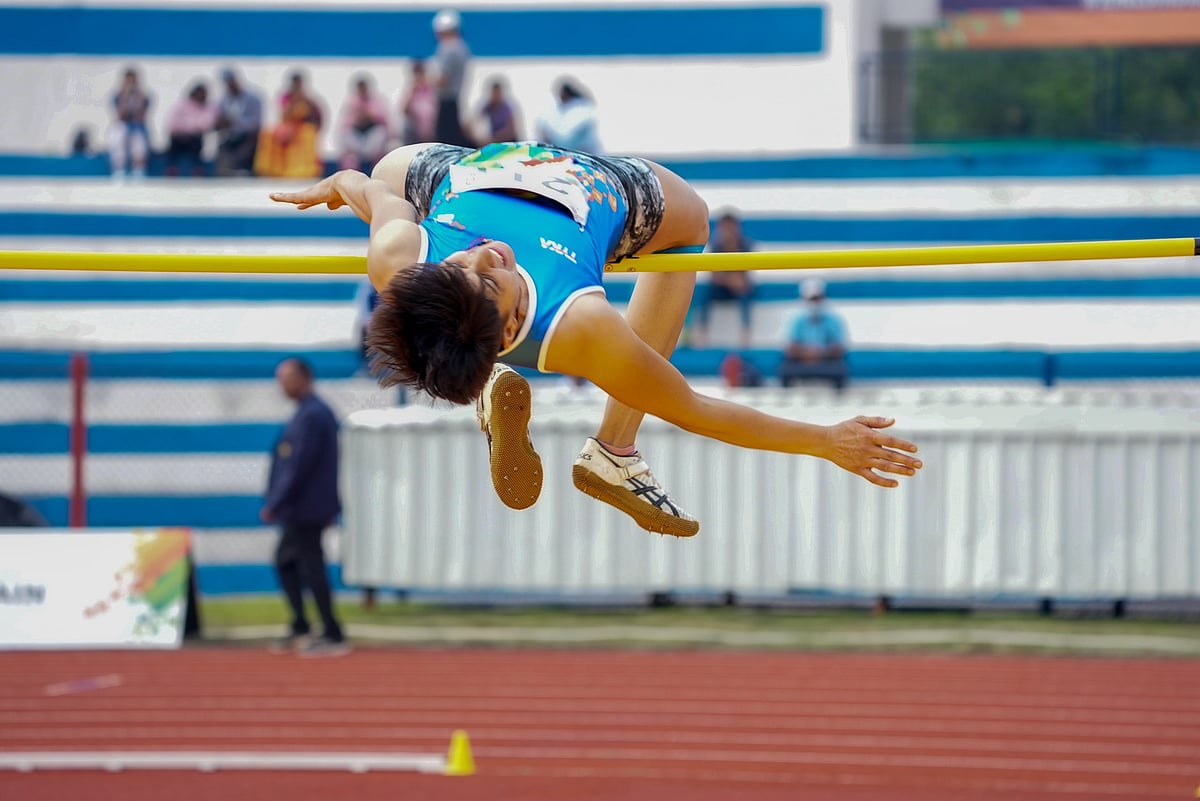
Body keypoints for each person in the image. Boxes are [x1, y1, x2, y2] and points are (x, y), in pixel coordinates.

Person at [269, 142, 922, 538]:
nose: (486, 253)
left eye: (464, 262)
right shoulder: (583, 325)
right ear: (508, 328)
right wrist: (823, 440)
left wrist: (337, 184)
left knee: (391, 161)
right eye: (491, 278)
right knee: (692, 220)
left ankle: (492, 385)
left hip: (469, 172)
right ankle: (615, 448)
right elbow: (693, 407)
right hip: (591, 186)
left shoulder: (401, 257)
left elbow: (370, 187)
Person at [261, 358, 347, 656]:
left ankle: (330, 632)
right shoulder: (307, 412)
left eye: (286, 378)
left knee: (310, 566)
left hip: (306, 507)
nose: (281, 385)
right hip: (304, 506)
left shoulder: (313, 414)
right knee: (290, 562)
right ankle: (303, 625)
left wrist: (276, 501)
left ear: (304, 378)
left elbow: (298, 465)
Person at [692, 209, 756, 349]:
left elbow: (745, 276)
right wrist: (730, 280)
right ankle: (703, 332)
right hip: (722, 287)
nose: (727, 231)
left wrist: (732, 280)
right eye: (725, 227)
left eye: (730, 227)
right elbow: (713, 275)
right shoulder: (717, 245)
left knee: (745, 292)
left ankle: (746, 332)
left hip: (739, 288)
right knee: (703, 293)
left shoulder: (745, 244)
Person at [778, 278, 850, 393]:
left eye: (817, 298)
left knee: (840, 369)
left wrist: (819, 353)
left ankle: (839, 398)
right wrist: (808, 353)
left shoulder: (833, 319)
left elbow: (839, 348)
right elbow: (790, 349)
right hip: (801, 362)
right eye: (811, 299)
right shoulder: (796, 320)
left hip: (826, 361)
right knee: (785, 370)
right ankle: (786, 398)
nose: (814, 303)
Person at [254, 71, 323, 178]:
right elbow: (284, 115)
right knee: (268, 134)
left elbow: (316, 116)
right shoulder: (286, 97)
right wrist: (294, 100)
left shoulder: (308, 99)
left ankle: (304, 169)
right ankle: (269, 169)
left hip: (301, 127)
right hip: (287, 125)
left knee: (308, 134)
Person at [429, 9, 472, 147]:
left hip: (446, 100)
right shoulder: (462, 47)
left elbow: (443, 78)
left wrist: (425, 81)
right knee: (454, 137)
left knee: (445, 140)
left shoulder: (448, 48)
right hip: (454, 99)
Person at [337, 74, 391, 172]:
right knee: (347, 139)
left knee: (380, 133)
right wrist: (357, 117)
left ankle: (379, 171)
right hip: (357, 139)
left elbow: (385, 122)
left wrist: (369, 115)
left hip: (372, 138)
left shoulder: (376, 101)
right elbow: (344, 125)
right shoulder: (351, 103)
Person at [214, 68, 263, 177]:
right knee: (222, 145)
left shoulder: (253, 98)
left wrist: (235, 123)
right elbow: (219, 117)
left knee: (249, 142)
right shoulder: (224, 100)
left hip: (248, 135)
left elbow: (256, 122)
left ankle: (241, 168)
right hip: (230, 135)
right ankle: (226, 170)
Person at [165, 82, 217, 177]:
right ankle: (171, 171)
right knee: (173, 144)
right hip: (179, 137)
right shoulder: (181, 105)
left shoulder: (208, 107)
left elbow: (207, 124)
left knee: (196, 143)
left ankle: (198, 171)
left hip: (194, 138)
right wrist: (186, 130)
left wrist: (188, 129)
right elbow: (172, 123)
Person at [108, 67, 151, 181]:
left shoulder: (143, 97)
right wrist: (125, 97)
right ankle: (119, 170)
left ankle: (138, 170)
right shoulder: (117, 96)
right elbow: (120, 116)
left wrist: (138, 98)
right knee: (117, 136)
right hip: (123, 125)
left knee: (138, 143)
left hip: (137, 126)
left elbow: (141, 117)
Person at [536, 78, 601, 154]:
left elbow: (568, 137)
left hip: (582, 151)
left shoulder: (580, 109)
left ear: (566, 94)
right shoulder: (563, 109)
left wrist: (548, 135)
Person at [400, 60, 438, 146]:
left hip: (430, 126)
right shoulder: (410, 90)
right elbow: (403, 109)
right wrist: (412, 93)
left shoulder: (431, 89)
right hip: (414, 127)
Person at [473, 77, 520, 145]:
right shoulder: (489, 105)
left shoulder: (508, 107)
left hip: (509, 142)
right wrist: (477, 137)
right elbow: (474, 121)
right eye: (494, 93)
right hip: (495, 141)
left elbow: (511, 129)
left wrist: (493, 139)